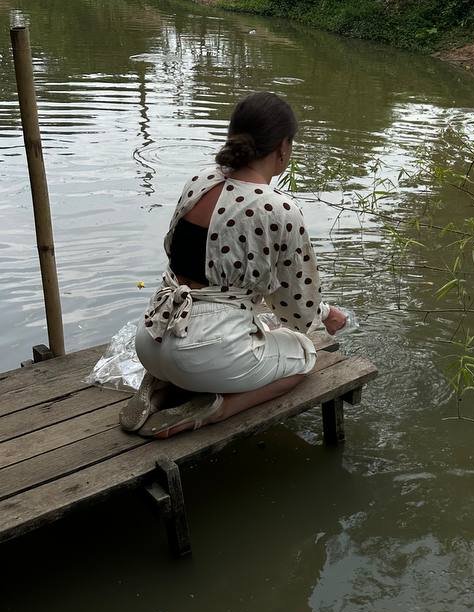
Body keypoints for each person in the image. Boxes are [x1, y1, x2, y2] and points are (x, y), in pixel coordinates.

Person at [120, 91, 346, 439]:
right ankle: (215, 410)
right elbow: (296, 312)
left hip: (150, 338)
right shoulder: (278, 210)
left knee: (227, 339)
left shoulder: (198, 181)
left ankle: (161, 385)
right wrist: (326, 315)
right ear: (283, 148)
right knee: (304, 355)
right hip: (205, 353)